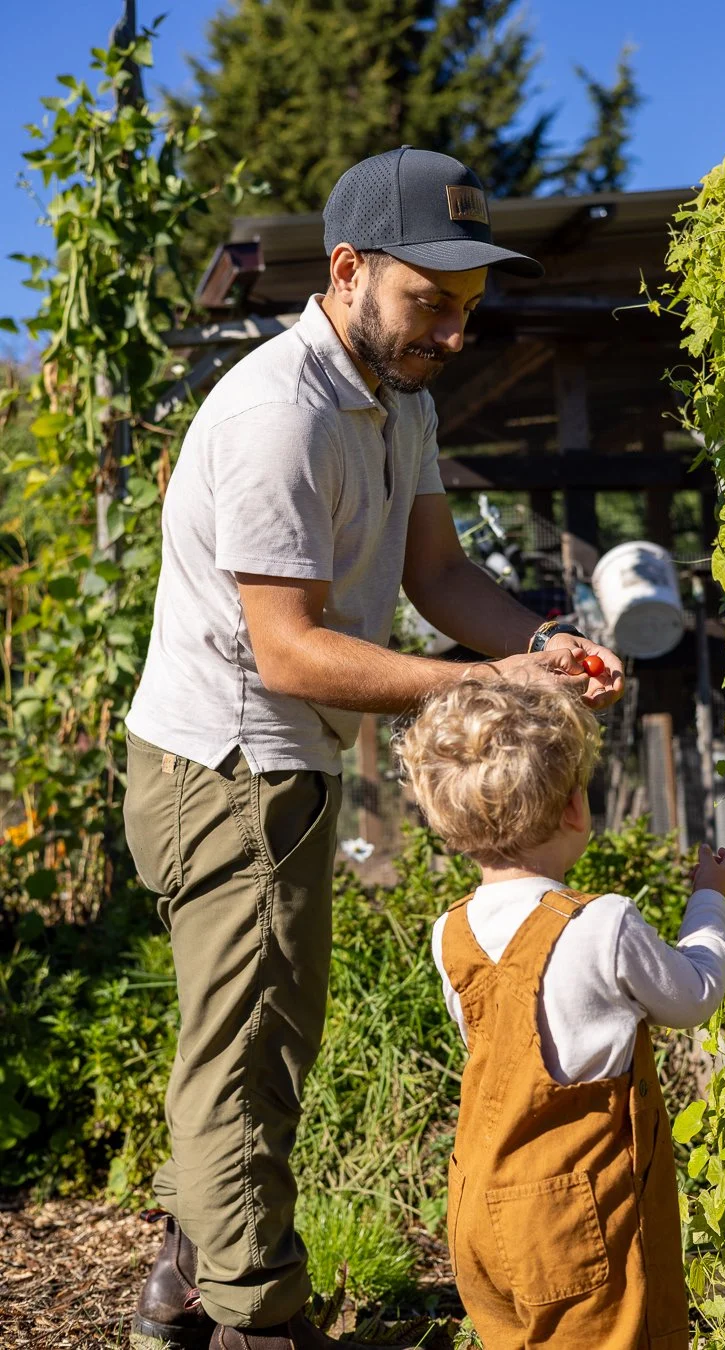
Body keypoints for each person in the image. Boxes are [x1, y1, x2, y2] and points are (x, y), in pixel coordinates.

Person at [123, 145, 624, 1350]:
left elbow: (439, 573)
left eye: (466, 308)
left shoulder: (398, 396)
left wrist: (544, 645)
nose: (454, 332)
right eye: (429, 303)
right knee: (248, 1055)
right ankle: (257, 1319)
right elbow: (291, 649)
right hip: (229, 767)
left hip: (283, 757)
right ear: (347, 272)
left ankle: (183, 1286)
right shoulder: (273, 416)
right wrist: (480, 683)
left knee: (261, 1038)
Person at [396, 678, 725, 1350]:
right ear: (576, 807)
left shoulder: (449, 932)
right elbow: (696, 996)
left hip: (476, 1209)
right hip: (572, 1216)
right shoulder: (601, 923)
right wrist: (710, 902)